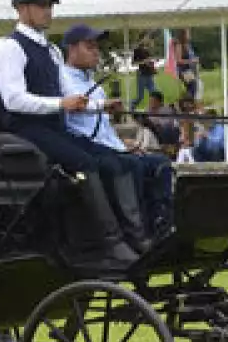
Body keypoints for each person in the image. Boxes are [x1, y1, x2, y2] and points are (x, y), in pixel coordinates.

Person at [0, 0, 143, 267]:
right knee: (84, 163)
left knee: (114, 159)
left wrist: (100, 105)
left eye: (50, 6)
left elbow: (69, 96)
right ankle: (110, 242)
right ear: (22, 9)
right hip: (26, 128)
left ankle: (135, 234)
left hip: (54, 127)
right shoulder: (10, 49)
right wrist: (60, 104)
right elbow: (13, 100)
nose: (48, 12)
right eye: (42, 6)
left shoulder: (51, 52)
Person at [60, 23, 176, 240]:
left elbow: (102, 126)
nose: (96, 51)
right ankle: (136, 232)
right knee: (130, 166)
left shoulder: (95, 84)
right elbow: (79, 107)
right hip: (84, 148)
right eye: (89, 46)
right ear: (72, 49)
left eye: (97, 46)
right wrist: (104, 106)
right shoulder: (62, 79)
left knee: (159, 163)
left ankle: (162, 224)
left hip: (109, 147)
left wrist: (122, 142)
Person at [130, 41, 161, 111]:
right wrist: (144, 61)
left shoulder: (147, 51)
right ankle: (131, 106)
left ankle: (153, 109)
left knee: (155, 93)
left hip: (149, 75)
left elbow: (149, 62)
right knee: (140, 97)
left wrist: (154, 67)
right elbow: (133, 63)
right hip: (141, 76)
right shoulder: (136, 50)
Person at [173, 30, 202, 102]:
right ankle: (187, 103)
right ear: (184, 35)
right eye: (188, 33)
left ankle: (188, 102)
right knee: (193, 86)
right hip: (183, 70)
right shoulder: (179, 45)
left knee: (194, 86)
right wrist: (192, 61)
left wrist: (195, 60)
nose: (190, 34)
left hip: (189, 70)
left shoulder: (187, 45)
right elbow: (178, 60)